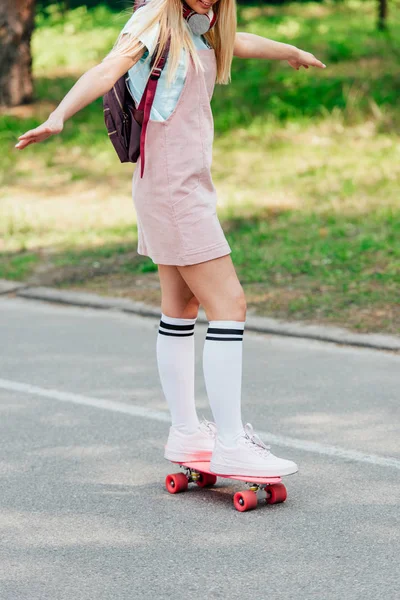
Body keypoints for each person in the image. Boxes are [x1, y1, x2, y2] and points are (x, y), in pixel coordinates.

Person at [16, 0, 326, 477]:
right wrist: (58, 115)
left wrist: (289, 49)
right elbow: (108, 68)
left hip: (176, 182)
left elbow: (234, 43)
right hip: (173, 188)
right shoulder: (154, 18)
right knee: (230, 304)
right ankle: (228, 441)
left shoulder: (199, 22)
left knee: (180, 308)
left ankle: (185, 430)